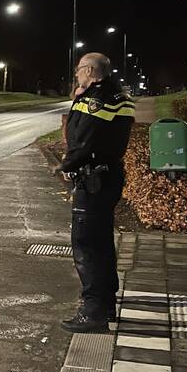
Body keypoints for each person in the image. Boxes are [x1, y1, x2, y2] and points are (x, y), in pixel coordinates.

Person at [58, 52, 135, 333]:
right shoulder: (120, 96)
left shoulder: (93, 100)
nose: (77, 75)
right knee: (102, 242)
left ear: (90, 71)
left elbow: (80, 139)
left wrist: (65, 166)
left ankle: (92, 312)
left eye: (79, 70)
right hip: (111, 174)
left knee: (86, 245)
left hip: (92, 179)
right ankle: (106, 303)